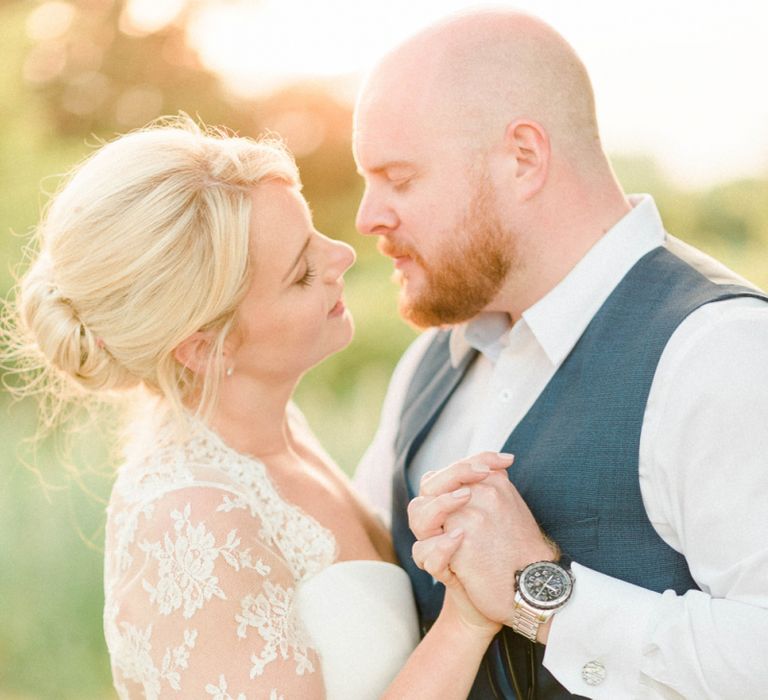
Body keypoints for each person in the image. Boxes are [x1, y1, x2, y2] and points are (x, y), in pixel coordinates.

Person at [3, 117, 513, 699]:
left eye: (314, 231)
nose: (343, 254)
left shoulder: (279, 433)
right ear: (203, 346)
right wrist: (466, 621)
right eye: (300, 274)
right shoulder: (188, 516)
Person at [352, 9, 768, 700]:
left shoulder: (717, 352)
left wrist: (541, 594)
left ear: (523, 158)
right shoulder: (427, 365)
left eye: (399, 178)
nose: (368, 216)